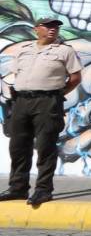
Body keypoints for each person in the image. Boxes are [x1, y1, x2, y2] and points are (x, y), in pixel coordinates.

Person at [0, 16, 82, 205]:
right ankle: (18, 188)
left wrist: (57, 94)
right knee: (18, 146)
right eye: (48, 26)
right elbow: (16, 74)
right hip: (21, 101)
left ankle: (43, 190)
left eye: (56, 26)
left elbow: (75, 78)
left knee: (46, 146)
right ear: (37, 29)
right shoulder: (24, 50)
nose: (53, 29)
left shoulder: (64, 51)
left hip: (48, 102)